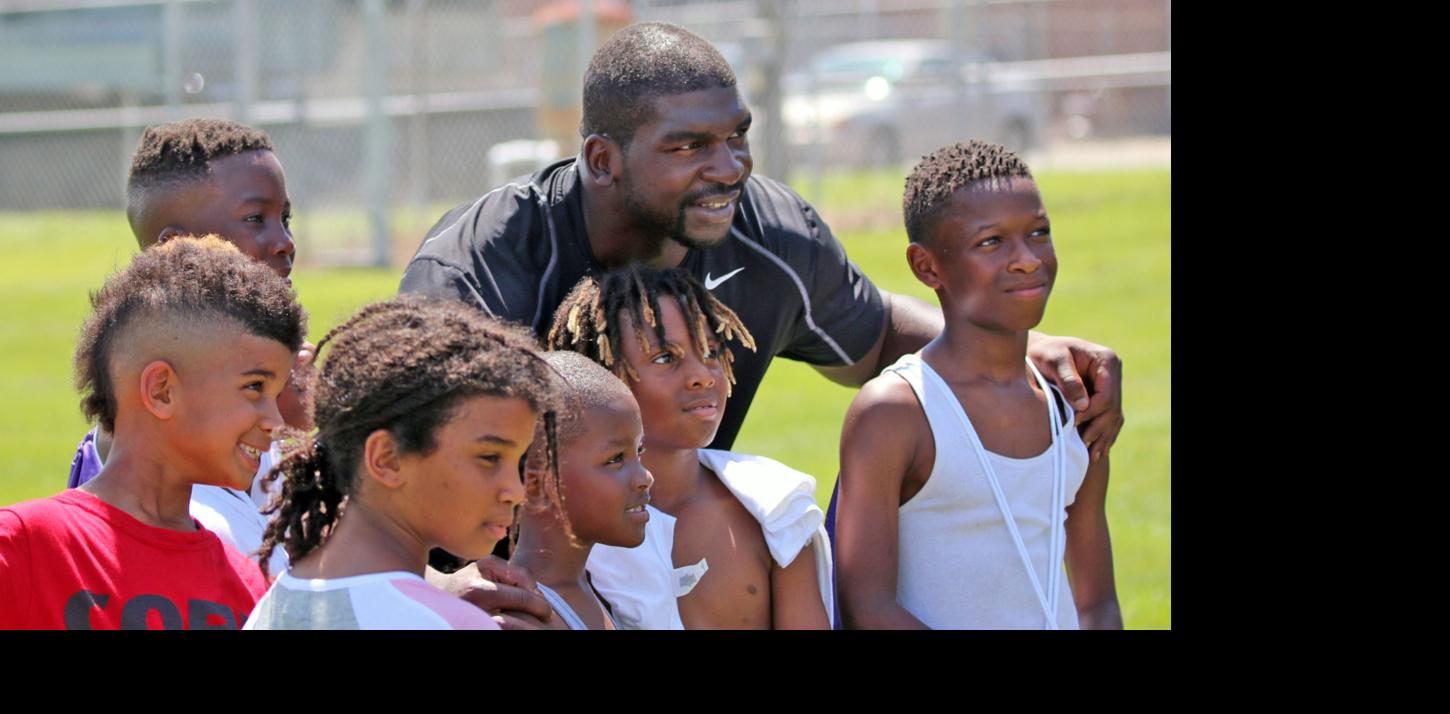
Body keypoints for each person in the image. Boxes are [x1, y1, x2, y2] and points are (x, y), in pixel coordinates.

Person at [398, 21, 1122, 458]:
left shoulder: (768, 230)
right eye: (689, 148)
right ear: (601, 161)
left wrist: (1025, 353)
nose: (729, 168)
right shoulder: (483, 263)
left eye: (738, 137)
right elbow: (406, 442)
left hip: (677, 563)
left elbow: (875, 339)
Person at [835, 141, 1119, 630]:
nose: (1028, 259)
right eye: (992, 242)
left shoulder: (1073, 401)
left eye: (1039, 233)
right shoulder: (896, 411)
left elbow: (1096, 603)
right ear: (927, 267)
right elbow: (869, 608)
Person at [0, 236, 303, 629]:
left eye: (277, 394)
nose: (274, 422)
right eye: (255, 388)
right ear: (162, 390)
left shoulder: (252, 589)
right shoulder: (25, 547)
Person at [64, 118, 311, 577]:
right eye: (256, 219)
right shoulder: (164, 455)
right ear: (176, 247)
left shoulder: (269, 403)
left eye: (285, 218)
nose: (285, 242)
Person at [245, 297, 560, 630]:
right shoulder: (449, 623)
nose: (516, 491)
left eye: (517, 462)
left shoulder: (273, 606)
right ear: (387, 459)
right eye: (490, 458)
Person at [546, 266, 831, 629]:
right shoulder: (573, 528)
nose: (702, 374)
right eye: (666, 357)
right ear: (604, 375)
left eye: (711, 351)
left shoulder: (775, 508)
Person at [508, 351, 654, 630]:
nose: (645, 477)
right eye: (615, 459)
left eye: (639, 451)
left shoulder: (592, 590)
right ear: (538, 485)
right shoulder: (525, 619)